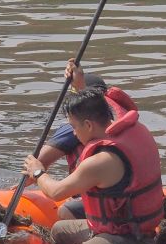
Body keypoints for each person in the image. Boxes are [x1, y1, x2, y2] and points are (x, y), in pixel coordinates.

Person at [21, 89, 164, 244]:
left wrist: (37, 171)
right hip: (113, 227)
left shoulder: (101, 161)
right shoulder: (132, 130)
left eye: (74, 127)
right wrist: (79, 82)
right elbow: (106, 98)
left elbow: (55, 192)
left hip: (130, 239)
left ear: (88, 124)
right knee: (59, 230)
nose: (73, 133)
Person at [35, 58, 140, 220]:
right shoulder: (123, 123)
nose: (75, 132)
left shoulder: (76, 128)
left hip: (110, 206)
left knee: (65, 212)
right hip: (132, 199)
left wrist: (34, 172)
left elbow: (42, 164)